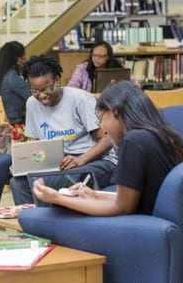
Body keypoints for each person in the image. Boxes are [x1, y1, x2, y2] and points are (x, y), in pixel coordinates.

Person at [33, 81, 183, 215]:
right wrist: (94, 195)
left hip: (146, 224)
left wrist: (57, 198)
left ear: (114, 112)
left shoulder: (133, 141)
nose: (103, 129)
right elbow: (129, 199)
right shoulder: (161, 134)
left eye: (101, 118)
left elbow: (122, 207)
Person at [10, 54, 117, 206]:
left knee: (43, 182)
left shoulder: (80, 99)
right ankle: (31, 224)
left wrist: (81, 159)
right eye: (35, 91)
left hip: (96, 161)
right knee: (18, 182)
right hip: (60, 164)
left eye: (47, 89)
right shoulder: (32, 104)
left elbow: (107, 139)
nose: (42, 96)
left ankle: (46, 226)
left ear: (57, 81)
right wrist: (25, 164)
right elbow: (39, 147)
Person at [67, 40, 139, 92]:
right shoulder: (82, 68)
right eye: (94, 55)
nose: (96, 58)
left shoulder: (118, 68)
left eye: (100, 56)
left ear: (108, 57)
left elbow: (136, 86)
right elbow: (71, 88)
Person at [0, 41, 30, 124]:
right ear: (17, 59)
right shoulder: (12, 78)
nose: (25, 58)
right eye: (23, 55)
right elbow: (34, 96)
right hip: (14, 125)